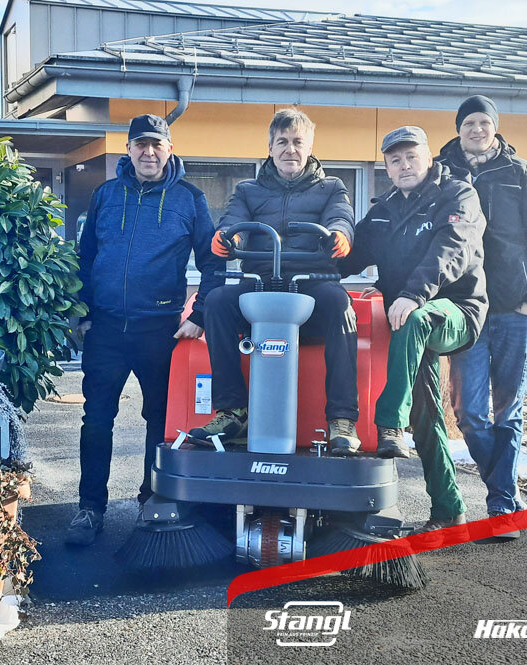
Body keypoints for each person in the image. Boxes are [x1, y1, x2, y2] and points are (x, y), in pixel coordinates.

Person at [65, 114, 224, 546]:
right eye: (140, 144)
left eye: (157, 144)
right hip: (106, 328)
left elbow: (214, 264)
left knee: (159, 420)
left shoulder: (189, 199)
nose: (148, 152)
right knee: (96, 420)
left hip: (160, 330)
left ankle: (150, 499)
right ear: (129, 149)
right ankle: (89, 508)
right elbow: (85, 258)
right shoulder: (105, 195)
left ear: (169, 149)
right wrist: (80, 312)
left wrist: (200, 314)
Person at [339, 126, 487, 533]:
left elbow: (451, 249)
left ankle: (389, 423)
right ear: (386, 166)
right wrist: (297, 270)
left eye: (411, 157)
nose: (404, 165)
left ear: (427, 157)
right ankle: (449, 509)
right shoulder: (384, 208)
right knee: (427, 415)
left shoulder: (456, 195)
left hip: (456, 310)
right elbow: (350, 256)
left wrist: (412, 294)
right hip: (406, 324)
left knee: (419, 318)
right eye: (395, 159)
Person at [191, 108, 360, 456]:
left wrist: (339, 236)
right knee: (219, 302)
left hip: (310, 285)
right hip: (262, 283)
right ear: (270, 147)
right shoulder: (248, 190)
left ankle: (342, 419)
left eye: (297, 142)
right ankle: (232, 412)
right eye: (282, 142)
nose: (290, 150)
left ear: (310, 147)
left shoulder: (331, 188)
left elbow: (341, 218)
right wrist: (228, 239)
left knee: (340, 304)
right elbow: (232, 222)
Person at [436, 95, 527, 539]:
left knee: (509, 411)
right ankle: (504, 488)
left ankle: (501, 506)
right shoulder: (443, 171)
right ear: (459, 127)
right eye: (469, 122)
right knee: (468, 414)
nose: (476, 129)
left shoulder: (519, 173)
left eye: (484, 122)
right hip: (466, 307)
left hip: (513, 309)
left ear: (494, 127)